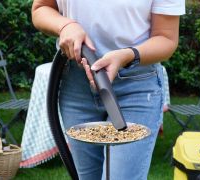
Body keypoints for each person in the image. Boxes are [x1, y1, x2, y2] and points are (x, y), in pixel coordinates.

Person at [31, 0, 185, 180]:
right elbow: (41, 8)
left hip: (135, 86)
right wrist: (66, 25)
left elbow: (166, 38)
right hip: (77, 86)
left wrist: (126, 55)